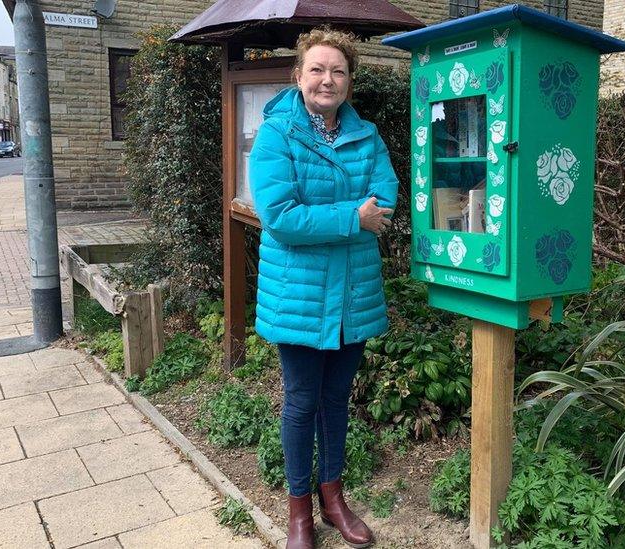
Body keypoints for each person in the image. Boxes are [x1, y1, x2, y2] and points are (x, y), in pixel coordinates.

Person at [249, 27, 399, 549]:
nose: (327, 79)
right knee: (300, 402)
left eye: (338, 71)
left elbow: (386, 198)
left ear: (349, 81)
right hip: (299, 294)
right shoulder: (277, 135)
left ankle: (333, 499)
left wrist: (356, 216)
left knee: (336, 400)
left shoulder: (368, 136)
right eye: (317, 69)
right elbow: (281, 215)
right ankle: (298, 515)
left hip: (351, 293)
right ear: (299, 76)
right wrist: (352, 218)